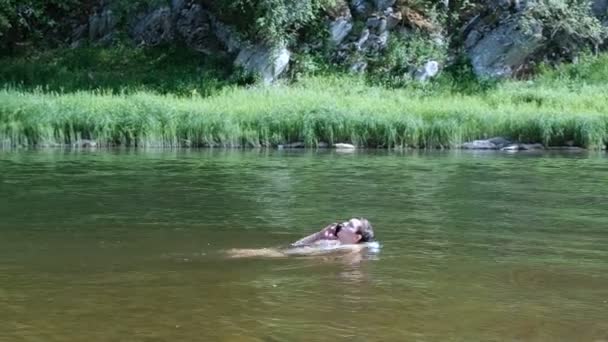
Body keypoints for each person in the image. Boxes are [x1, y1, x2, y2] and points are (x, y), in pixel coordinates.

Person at [225, 218, 376, 259]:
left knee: (252, 253)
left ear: (356, 237)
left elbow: (296, 252)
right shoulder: (334, 242)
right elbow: (296, 244)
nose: (342, 224)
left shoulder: (352, 249)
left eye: (348, 224)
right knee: (250, 252)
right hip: (293, 253)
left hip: (289, 256)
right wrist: (319, 234)